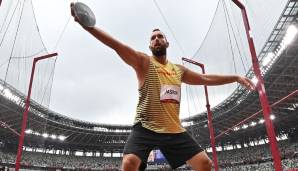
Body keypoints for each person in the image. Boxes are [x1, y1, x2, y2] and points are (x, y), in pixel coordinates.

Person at [70, 3, 255, 171]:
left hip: (173, 129)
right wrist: (86, 25)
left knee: (205, 163)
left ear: (167, 42)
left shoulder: (178, 70)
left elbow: (205, 78)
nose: (157, 39)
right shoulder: (143, 62)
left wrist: (236, 77)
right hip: (145, 127)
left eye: (160, 36)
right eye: (153, 38)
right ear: (150, 45)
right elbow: (116, 45)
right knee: (129, 163)